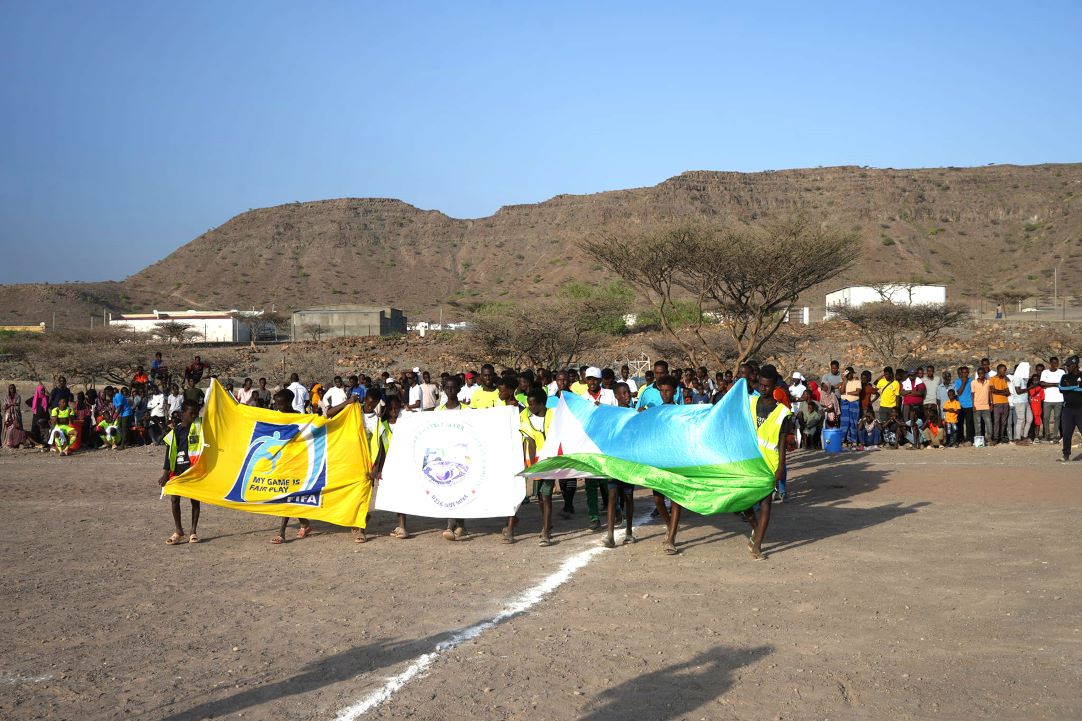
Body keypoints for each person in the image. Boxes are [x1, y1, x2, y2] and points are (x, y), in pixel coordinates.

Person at [738, 364, 791, 560]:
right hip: (750, 460)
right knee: (743, 502)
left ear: (775, 386)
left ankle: (757, 544)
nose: (763, 389)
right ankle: (756, 529)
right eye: (760, 385)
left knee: (766, 503)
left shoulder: (783, 413)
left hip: (770, 462)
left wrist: (780, 468)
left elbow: (782, 444)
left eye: (767, 386)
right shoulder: (751, 404)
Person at [645, 374, 684, 555]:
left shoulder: (681, 412)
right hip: (659, 460)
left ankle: (671, 538)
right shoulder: (655, 412)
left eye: (668, 391)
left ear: (674, 392)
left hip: (676, 460)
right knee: (658, 500)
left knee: (675, 499)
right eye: (662, 391)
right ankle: (670, 526)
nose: (665, 394)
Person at [157, 399, 205, 545]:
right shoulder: (176, 431)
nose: (194, 415)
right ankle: (179, 531)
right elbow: (170, 452)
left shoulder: (200, 427)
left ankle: (193, 531)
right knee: (174, 500)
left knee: (195, 501)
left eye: (196, 412)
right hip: (178, 470)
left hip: (193, 470)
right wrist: (165, 473)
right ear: (183, 413)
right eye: (191, 413)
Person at [270, 388, 313, 544]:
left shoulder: (299, 418)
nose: (277, 407)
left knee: (287, 495)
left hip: (295, 462)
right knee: (289, 495)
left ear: (288, 403)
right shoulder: (275, 417)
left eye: (280, 404)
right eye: (276, 404)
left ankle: (282, 532)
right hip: (280, 461)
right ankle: (304, 522)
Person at [435, 378, 469, 542]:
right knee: (448, 490)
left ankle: (459, 524)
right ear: (443, 389)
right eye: (447, 388)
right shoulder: (438, 411)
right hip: (445, 457)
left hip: (463, 457)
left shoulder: (467, 410)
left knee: (461, 490)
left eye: (453, 388)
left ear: (459, 389)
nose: (450, 391)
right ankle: (451, 525)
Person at [372, 395, 408, 538]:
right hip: (389, 465)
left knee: (400, 495)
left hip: (403, 464)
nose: (394, 411)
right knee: (394, 496)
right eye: (391, 408)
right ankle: (400, 525)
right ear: (386, 409)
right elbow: (381, 448)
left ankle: (403, 526)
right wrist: (379, 469)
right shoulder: (383, 425)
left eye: (396, 408)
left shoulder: (405, 423)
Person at [1057, 355, 1081, 462]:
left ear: (1075, 365)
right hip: (1067, 410)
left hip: (1080, 409)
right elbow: (1061, 389)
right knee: (1066, 433)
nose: (1067, 368)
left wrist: (1070, 389)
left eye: (1069, 366)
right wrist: (1076, 387)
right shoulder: (1064, 377)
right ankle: (1065, 455)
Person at [1040, 357, 1066, 443]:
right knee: (1045, 417)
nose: (1055, 365)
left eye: (1057, 363)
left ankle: (1055, 436)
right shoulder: (1045, 372)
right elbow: (1042, 384)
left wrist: (1049, 384)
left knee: (1057, 418)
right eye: (1054, 363)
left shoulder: (1062, 372)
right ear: (1050, 363)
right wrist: (1055, 384)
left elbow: (1063, 383)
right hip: (1047, 399)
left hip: (1059, 399)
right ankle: (1047, 434)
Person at [899, 369, 925, 449]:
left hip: (917, 406)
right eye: (910, 375)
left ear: (915, 375)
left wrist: (908, 392)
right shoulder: (905, 382)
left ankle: (918, 441)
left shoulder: (920, 382)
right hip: (907, 405)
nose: (911, 376)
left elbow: (920, 393)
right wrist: (912, 391)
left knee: (916, 423)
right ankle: (910, 441)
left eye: (913, 375)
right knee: (907, 422)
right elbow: (901, 392)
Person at [1008, 362, 1032, 445]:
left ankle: (1024, 436)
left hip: (1025, 401)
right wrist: (1031, 387)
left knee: (1029, 419)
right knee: (1021, 420)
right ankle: (1018, 438)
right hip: (1019, 401)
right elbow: (1018, 391)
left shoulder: (1023, 378)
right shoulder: (1017, 378)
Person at [4, 384, 33, 449]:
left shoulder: (18, 396)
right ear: (9, 389)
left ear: (15, 389)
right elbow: (5, 406)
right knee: (8, 427)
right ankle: (8, 442)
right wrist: (10, 405)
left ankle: (18, 441)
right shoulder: (6, 396)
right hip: (8, 415)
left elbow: (17, 405)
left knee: (17, 426)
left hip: (16, 414)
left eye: (13, 388)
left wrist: (10, 405)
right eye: (10, 388)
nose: (12, 389)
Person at [989, 364, 1012, 445]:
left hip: (1005, 403)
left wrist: (999, 392)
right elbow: (993, 390)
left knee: (1004, 422)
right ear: (998, 370)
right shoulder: (992, 379)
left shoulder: (1003, 380)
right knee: (996, 421)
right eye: (1004, 370)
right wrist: (1003, 392)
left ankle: (1001, 437)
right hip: (997, 403)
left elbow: (1008, 392)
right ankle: (995, 438)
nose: (1005, 371)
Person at [952, 367, 975, 445]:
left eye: (966, 372)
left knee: (969, 423)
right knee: (960, 423)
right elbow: (959, 392)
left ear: (968, 373)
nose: (964, 374)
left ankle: (969, 439)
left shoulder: (971, 381)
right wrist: (963, 383)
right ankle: (960, 438)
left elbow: (973, 393)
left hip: (969, 405)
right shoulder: (958, 382)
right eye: (963, 372)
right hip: (960, 405)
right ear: (961, 373)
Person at [839, 367, 862, 447]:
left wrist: (847, 393)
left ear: (852, 374)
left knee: (853, 422)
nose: (848, 376)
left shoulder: (857, 381)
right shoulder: (844, 381)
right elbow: (841, 391)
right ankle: (843, 440)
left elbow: (857, 392)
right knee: (845, 422)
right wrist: (844, 381)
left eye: (849, 374)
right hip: (844, 403)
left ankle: (853, 440)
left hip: (854, 403)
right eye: (847, 374)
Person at [971, 367, 992, 441]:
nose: (981, 375)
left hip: (986, 406)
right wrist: (973, 405)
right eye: (979, 373)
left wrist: (991, 403)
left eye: (982, 373)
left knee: (989, 424)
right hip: (977, 407)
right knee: (978, 425)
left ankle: (989, 439)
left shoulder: (988, 382)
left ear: (984, 374)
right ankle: (979, 441)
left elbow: (990, 393)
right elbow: (972, 395)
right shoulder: (973, 382)